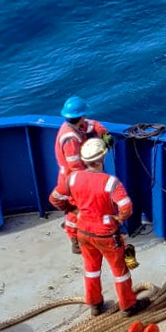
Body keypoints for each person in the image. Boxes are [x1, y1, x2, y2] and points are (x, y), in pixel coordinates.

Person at [50, 138, 146, 317]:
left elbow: (55, 198)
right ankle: (128, 305)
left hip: (83, 231)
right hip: (106, 234)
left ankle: (94, 304)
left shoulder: (72, 178)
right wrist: (118, 218)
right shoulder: (111, 182)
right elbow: (126, 207)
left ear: (84, 160)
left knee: (91, 268)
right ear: (102, 158)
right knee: (120, 271)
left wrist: (73, 209)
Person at [55, 96, 110, 255]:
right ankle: (74, 241)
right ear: (80, 116)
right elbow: (75, 166)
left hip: (74, 176)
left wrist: (103, 133)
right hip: (73, 179)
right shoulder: (70, 138)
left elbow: (91, 124)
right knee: (75, 209)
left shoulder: (75, 126)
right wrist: (89, 180)